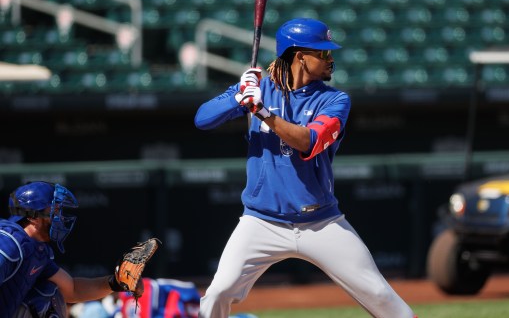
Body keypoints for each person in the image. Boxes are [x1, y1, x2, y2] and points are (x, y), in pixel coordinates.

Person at [194, 18, 416, 318]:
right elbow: (202, 119)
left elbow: (308, 141)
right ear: (299, 56)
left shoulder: (335, 99)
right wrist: (238, 96)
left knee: (380, 295)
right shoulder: (258, 86)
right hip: (261, 221)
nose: (330, 59)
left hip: (320, 222)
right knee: (218, 294)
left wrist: (261, 112)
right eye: (323, 53)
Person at [0, 181, 143, 318]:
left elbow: (73, 289)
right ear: (33, 217)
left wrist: (117, 283)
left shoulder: (36, 249)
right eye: (54, 211)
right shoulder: (9, 243)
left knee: (51, 293)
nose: (59, 217)